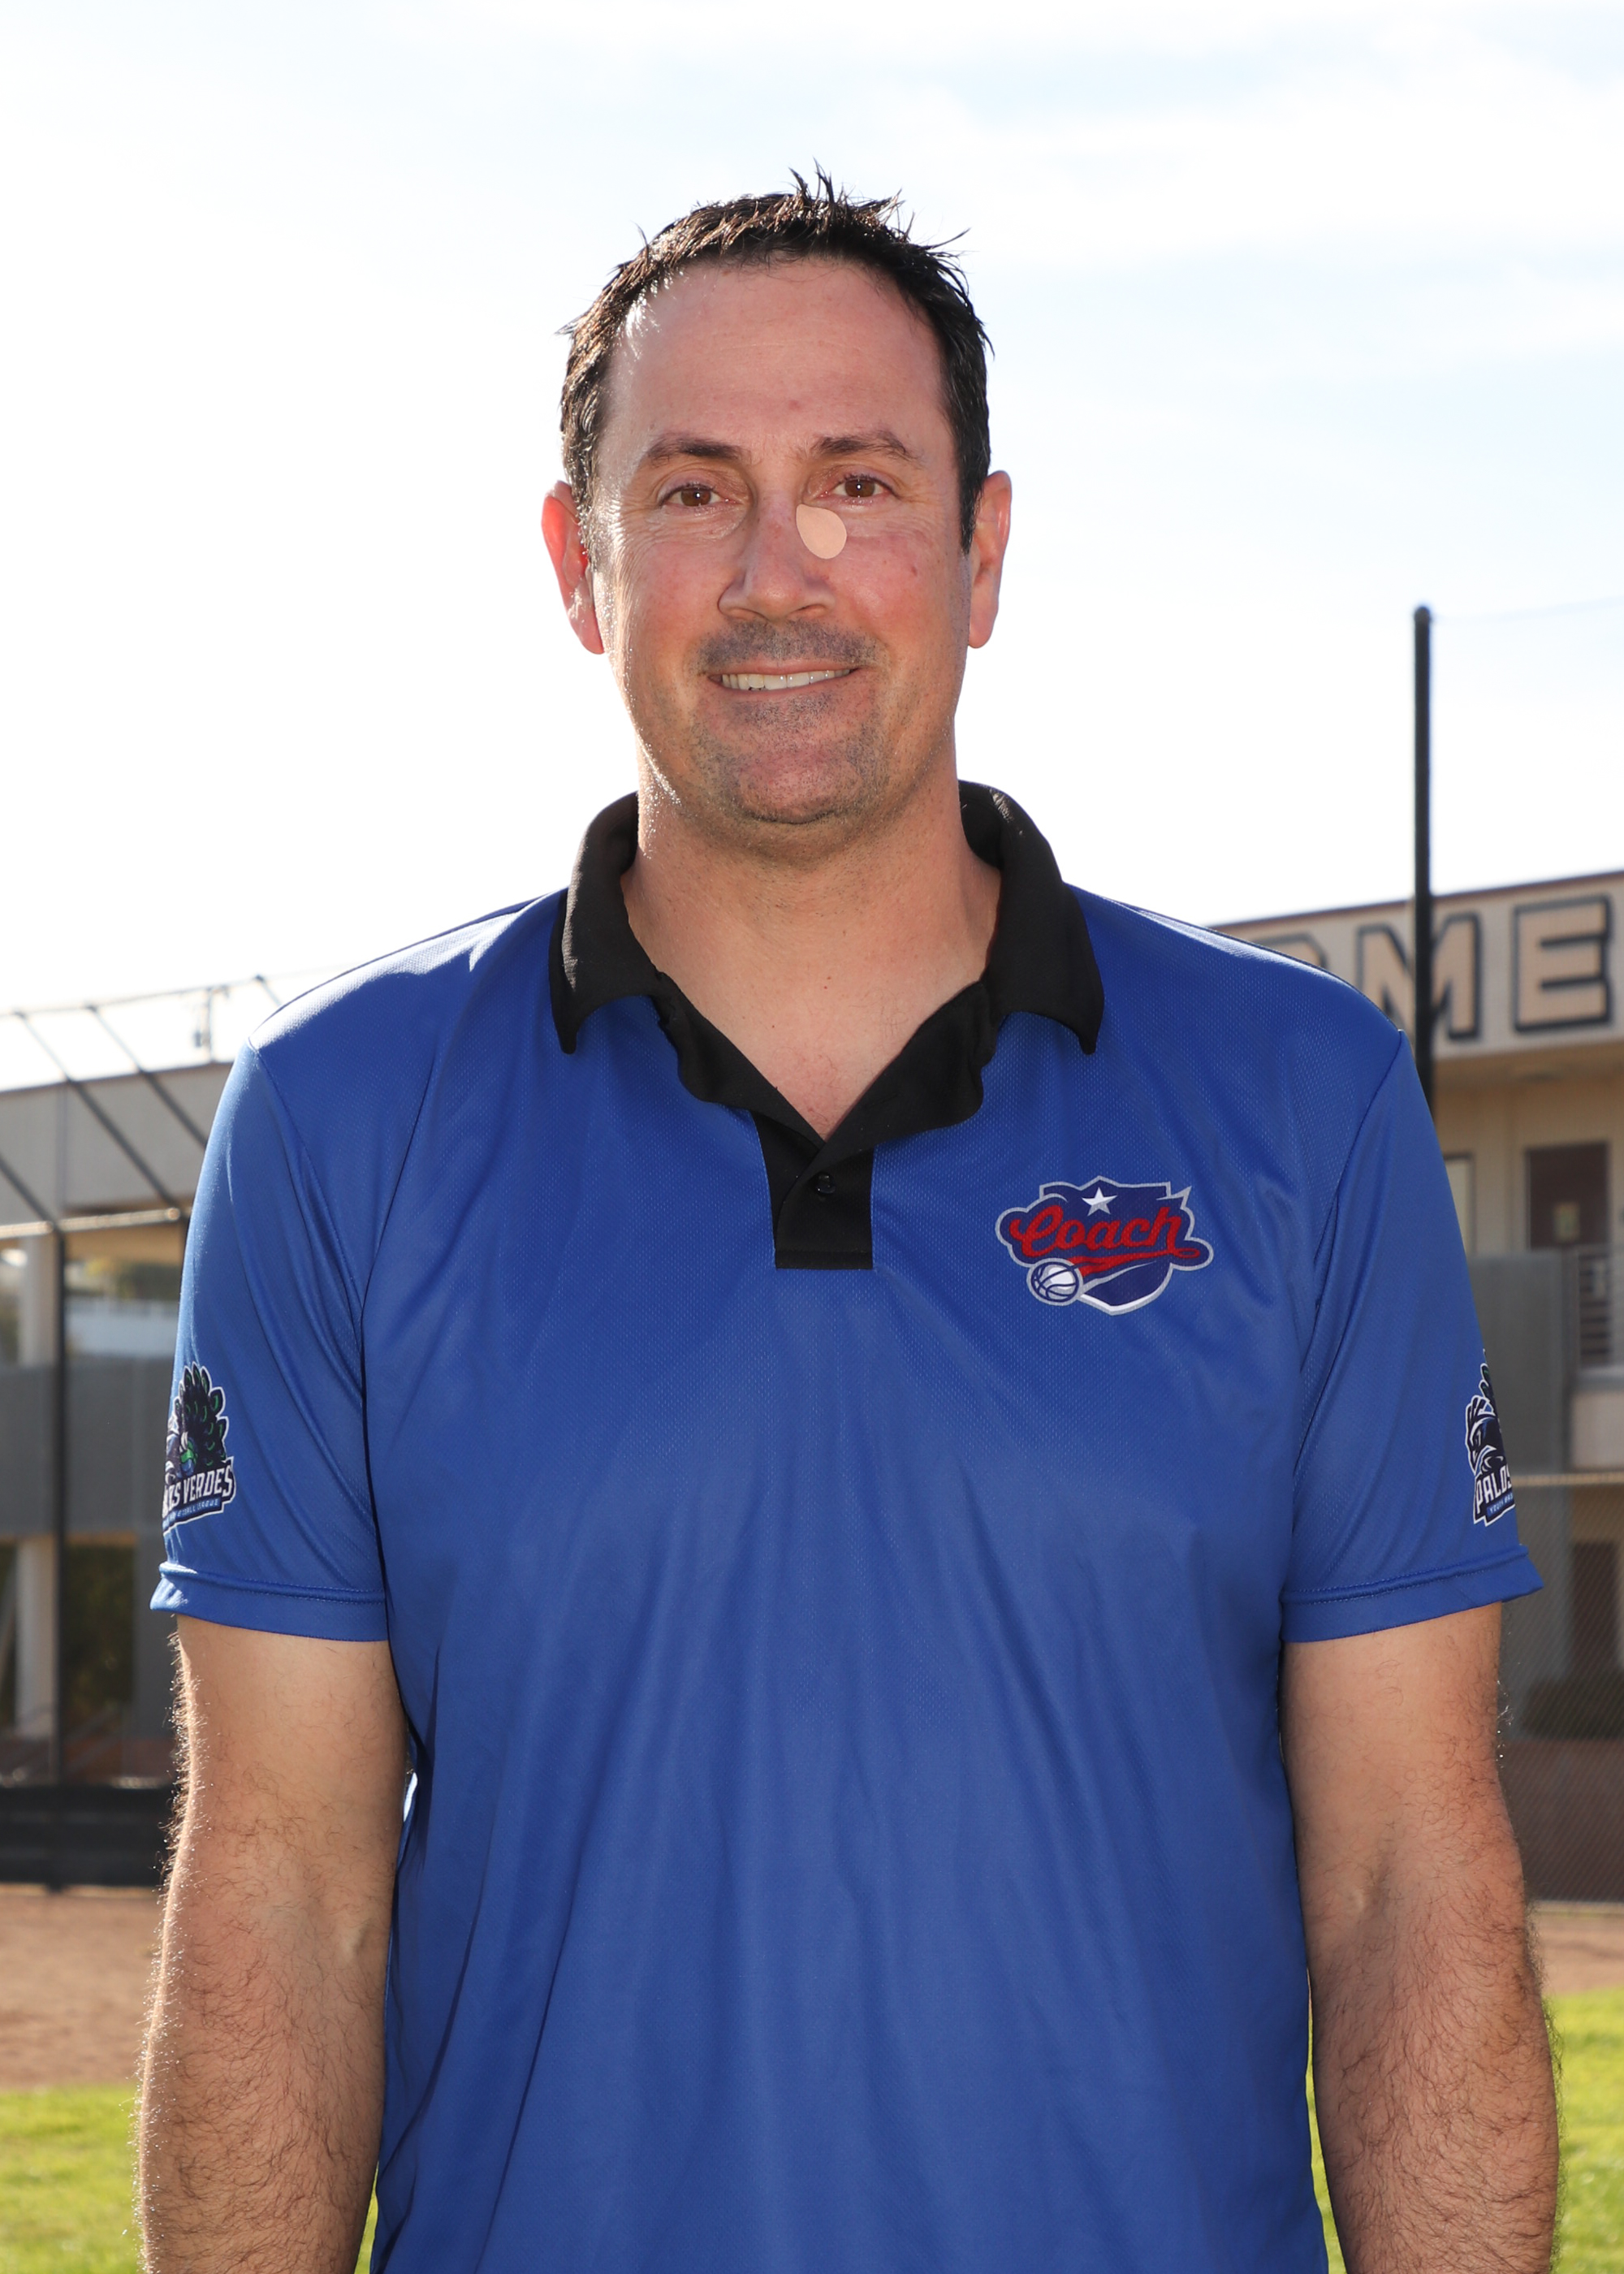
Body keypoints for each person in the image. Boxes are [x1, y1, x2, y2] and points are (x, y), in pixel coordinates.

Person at [138, 175, 1557, 2272]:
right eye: (694, 491)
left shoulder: (1300, 1102)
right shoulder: (342, 1119)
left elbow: (1406, 1883)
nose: (776, 571)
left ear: (984, 554)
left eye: (859, 485)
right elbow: (285, 1895)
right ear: (580, 564)